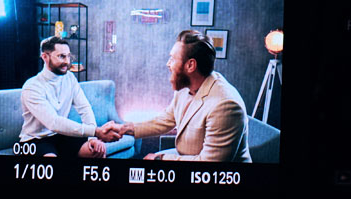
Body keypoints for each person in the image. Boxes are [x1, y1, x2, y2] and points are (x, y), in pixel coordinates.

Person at [108, 30, 252, 162]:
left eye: (172, 59)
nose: (168, 64)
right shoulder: (185, 87)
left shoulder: (225, 106)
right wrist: (125, 129)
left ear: (190, 65)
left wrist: (160, 159)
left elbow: (209, 164)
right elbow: (165, 120)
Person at [20, 36, 118, 158]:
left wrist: (92, 138)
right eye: (61, 56)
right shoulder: (32, 86)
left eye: (68, 56)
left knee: (96, 151)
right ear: (45, 57)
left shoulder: (70, 78)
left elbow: (84, 107)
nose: (67, 61)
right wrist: (96, 131)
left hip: (60, 135)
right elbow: (53, 122)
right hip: (35, 140)